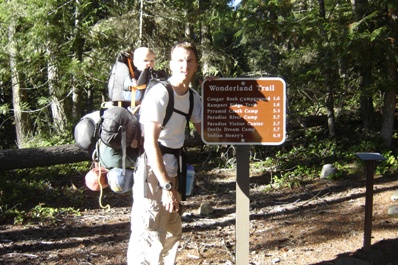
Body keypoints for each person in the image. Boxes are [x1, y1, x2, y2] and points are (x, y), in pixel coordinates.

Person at [127, 41, 202, 265]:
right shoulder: (160, 94)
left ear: (196, 66)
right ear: (171, 64)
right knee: (149, 236)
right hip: (153, 173)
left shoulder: (193, 97)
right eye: (180, 60)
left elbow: (208, 132)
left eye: (190, 61)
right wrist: (166, 186)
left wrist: (213, 93)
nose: (184, 65)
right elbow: (150, 143)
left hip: (176, 171)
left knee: (172, 232)